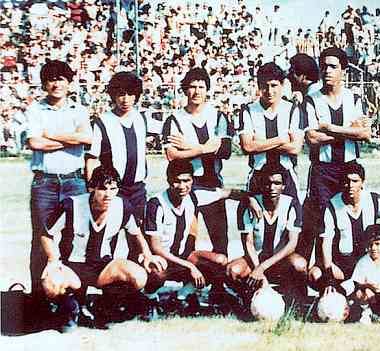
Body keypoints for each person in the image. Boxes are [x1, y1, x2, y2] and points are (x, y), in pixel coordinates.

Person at [39, 166, 167, 332]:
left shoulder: (122, 206)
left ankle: (104, 304)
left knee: (139, 277)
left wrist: (147, 254)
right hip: (73, 268)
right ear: (91, 187)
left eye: (113, 189)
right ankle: (70, 308)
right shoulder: (72, 205)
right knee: (50, 283)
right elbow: (46, 234)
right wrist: (52, 259)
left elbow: (136, 233)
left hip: (103, 269)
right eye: (102, 189)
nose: (108, 195)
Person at [144, 159, 262, 309]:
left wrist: (250, 198)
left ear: (192, 180)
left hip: (184, 257)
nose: (182, 186)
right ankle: (149, 297)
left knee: (220, 261)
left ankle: (182, 295)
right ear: (168, 180)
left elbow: (229, 193)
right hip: (163, 258)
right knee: (157, 271)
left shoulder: (194, 196)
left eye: (186, 180)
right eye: (176, 181)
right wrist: (190, 266)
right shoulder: (156, 204)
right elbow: (156, 247)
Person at [26, 60, 92, 296]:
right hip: (45, 182)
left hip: (75, 180)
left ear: (69, 82)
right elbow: (35, 142)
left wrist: (52, 137)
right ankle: (38, 297)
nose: (56, 84)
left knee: (74, 239)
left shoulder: (79, 109)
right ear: (44, 83)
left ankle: (73, 295)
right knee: (42, 238)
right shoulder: (35, 109)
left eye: (61, 79)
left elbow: (87, 138)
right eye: (51, 79)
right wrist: (70, 139)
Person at [301, 47, 372, 262]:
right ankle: (325, 276)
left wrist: (329, 128)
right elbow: (312, 139)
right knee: (323, 220)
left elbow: (365, 133)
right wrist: (349, 130)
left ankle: (354, 273)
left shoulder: (354, 98)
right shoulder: (311, 99)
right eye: (324, 66)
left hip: (350, 168)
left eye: (333, 66)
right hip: (323, 171)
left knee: (350, 217)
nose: (327, 71)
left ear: (344, 70)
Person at [162, 67, 233, 258]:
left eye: (201, 87)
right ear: (185, 90)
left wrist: (189, 147)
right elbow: (172, 155)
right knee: (187, 237)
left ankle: (220, 283)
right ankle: (189, 281)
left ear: (207, 89)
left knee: (220, 238)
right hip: (187, 186)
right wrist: (204, 148)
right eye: (192, 87)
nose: (197, 91)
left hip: (213, 184)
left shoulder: (218, 117)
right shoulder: (174, 119)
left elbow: (225, 151)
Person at [86, 71, 153, 259]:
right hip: (114, 190)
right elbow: (92, 158)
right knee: (109, 237)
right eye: (121, 93)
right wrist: (92, 188)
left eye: (130, 94)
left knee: (138, 237)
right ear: (113, 95)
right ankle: (108, 284)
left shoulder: (142, 119)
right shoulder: (102, 122)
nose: (125, 99)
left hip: (138, 189)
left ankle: (136, 282)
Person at [308, 162, 380, 292]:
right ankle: (342, 291)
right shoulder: (331, 206)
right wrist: (329, 273)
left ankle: (355, 291)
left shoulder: (373, 200)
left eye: (355, 181)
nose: (350, 185)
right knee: (314, 275)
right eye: (346, 181)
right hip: (342, 263)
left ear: (362, 182)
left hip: (368, 260)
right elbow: (325, 243)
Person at [226, 163, 308, 304]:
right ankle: (246, 299)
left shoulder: (292, 205)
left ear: (283, 186)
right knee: (233, 270)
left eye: (277, 183)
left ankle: (292, 299)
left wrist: (263, 268)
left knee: (300, 265)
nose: (272, 188)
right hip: (255, 259)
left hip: (280, 260)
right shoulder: (250, 205)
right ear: (261, 183)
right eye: (268, 183)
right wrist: (259, 269)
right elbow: (248, 243)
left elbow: (292, 244)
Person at [238, 62, 304, 200]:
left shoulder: (292, 109)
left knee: (291, 219)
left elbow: (295, 148)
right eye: (264, 86)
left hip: (286, 176)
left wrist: (260, 143)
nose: (269, 91)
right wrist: (281, 139)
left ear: (282, 85)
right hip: (258, 174)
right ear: (258, 86)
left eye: (274, 85)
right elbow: (248, 146)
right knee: (256, 219)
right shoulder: (248, 110)